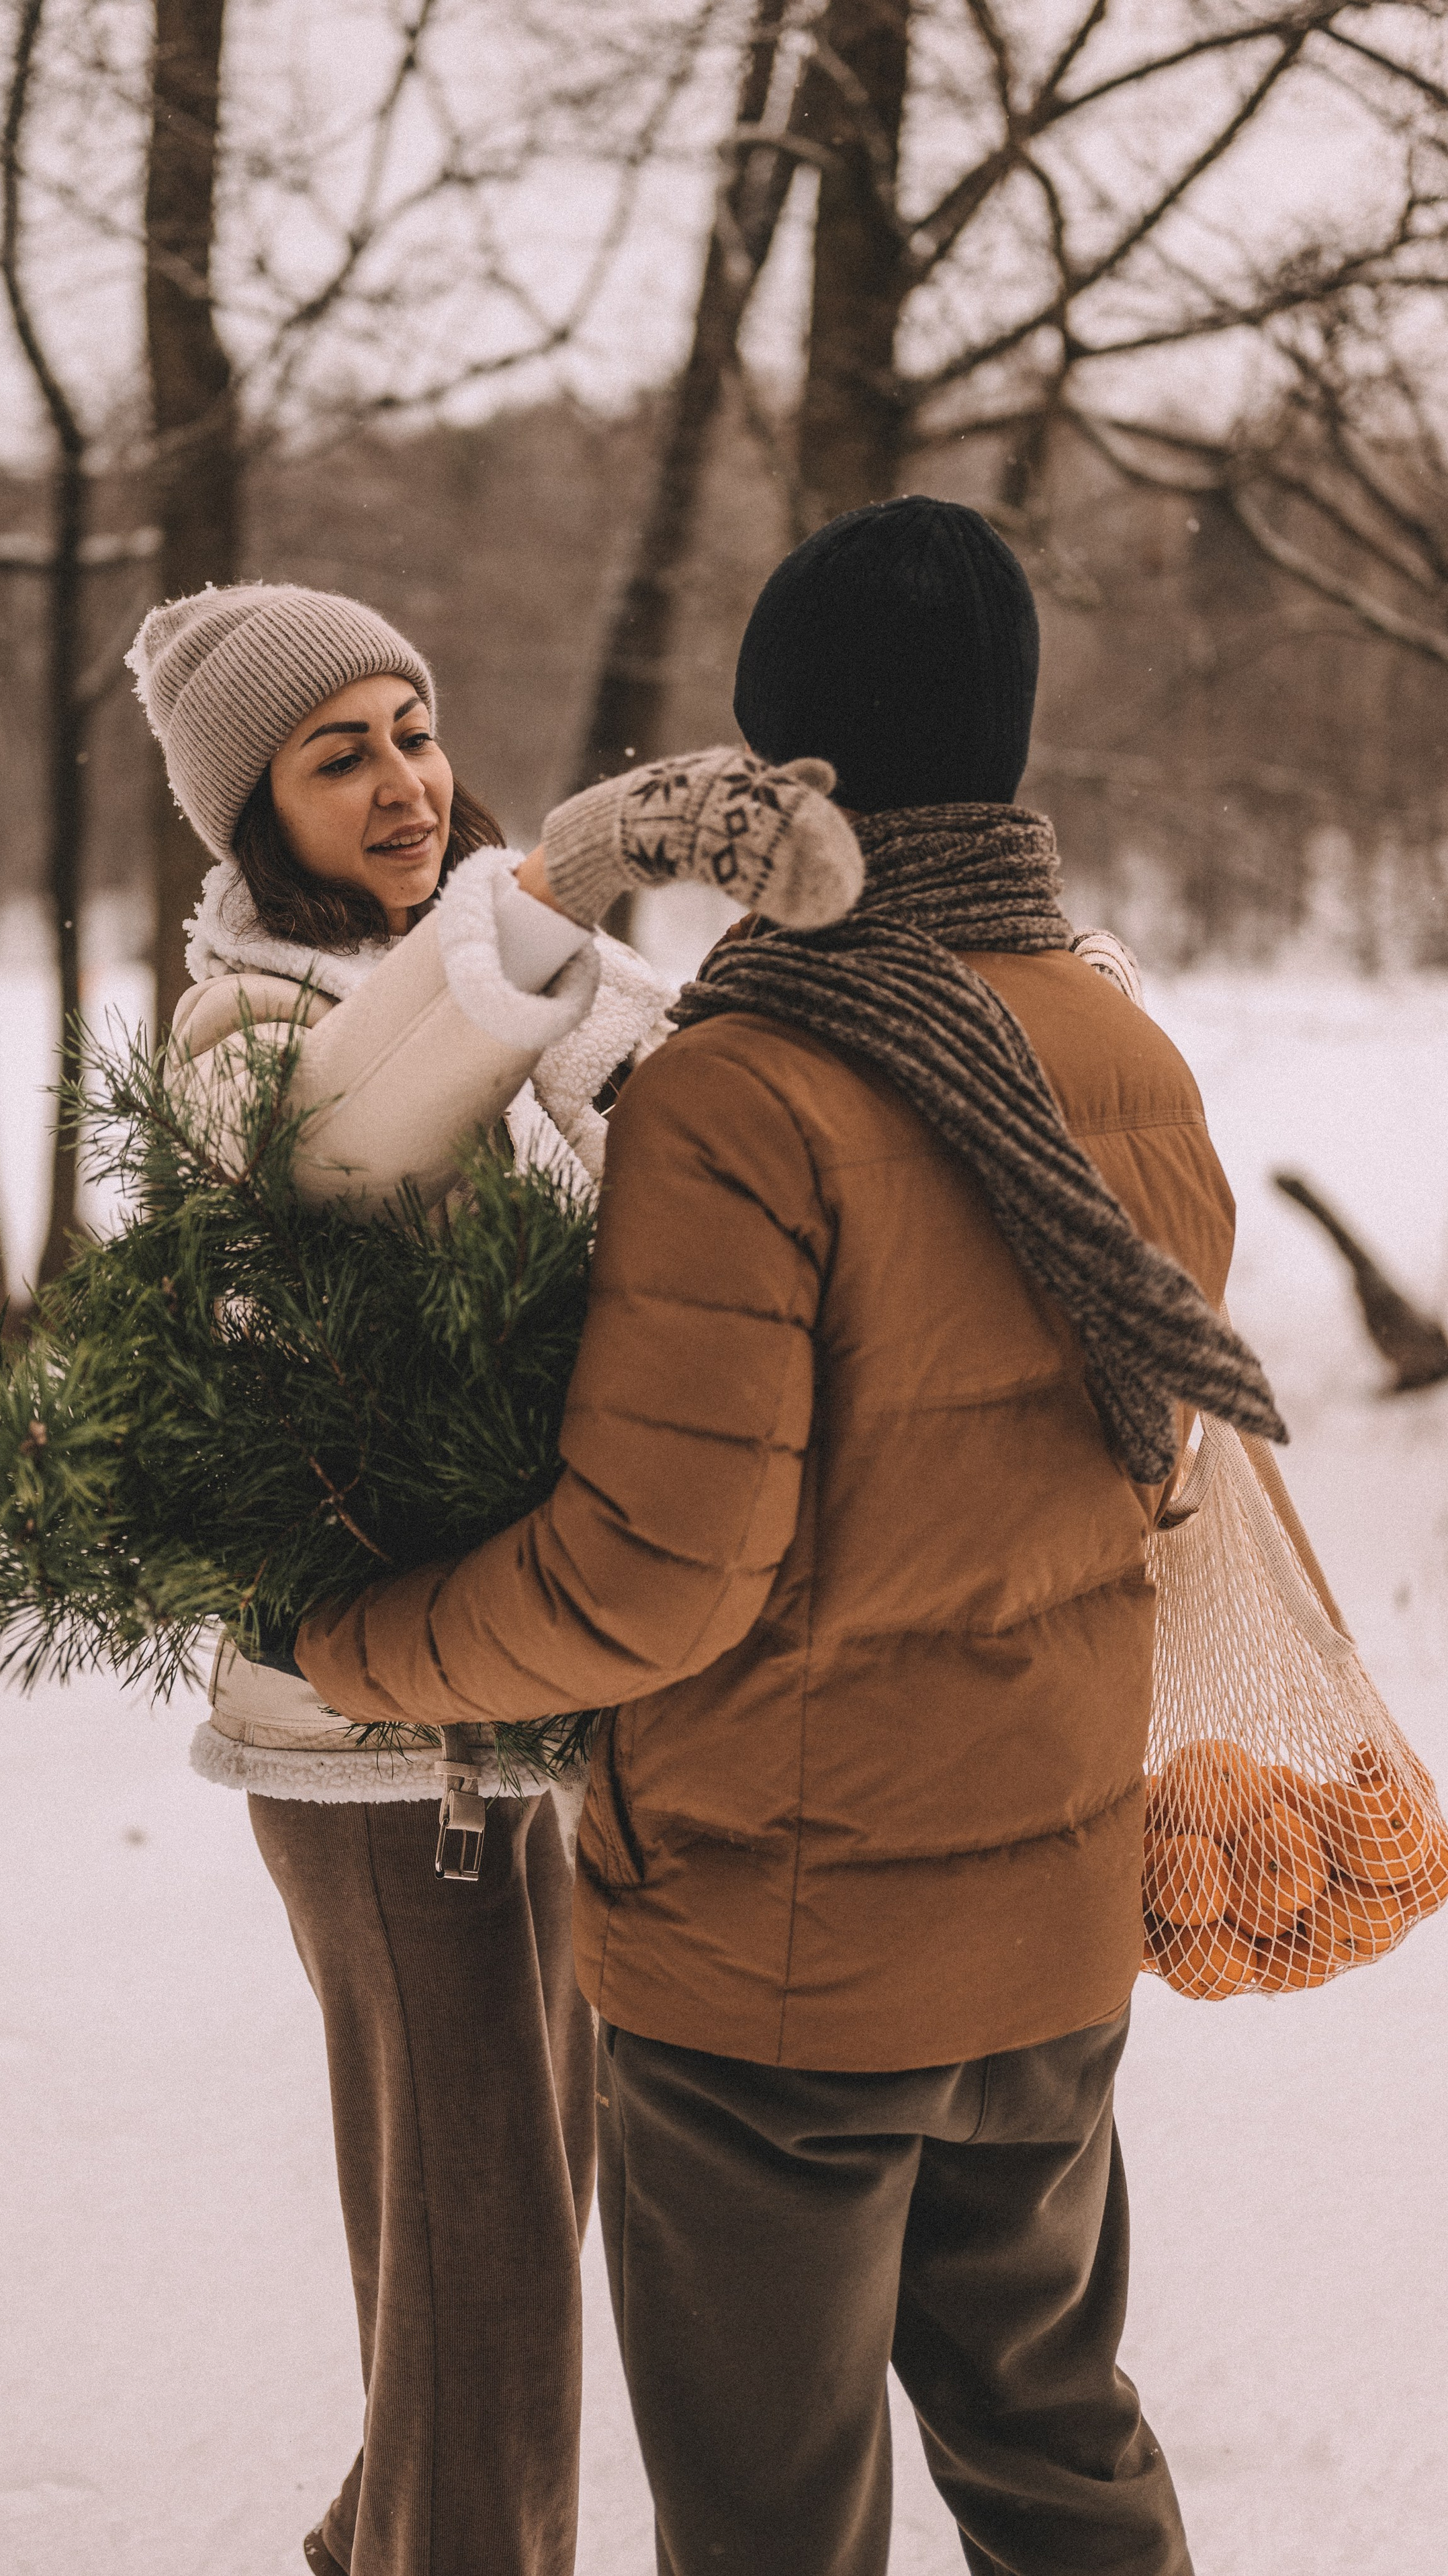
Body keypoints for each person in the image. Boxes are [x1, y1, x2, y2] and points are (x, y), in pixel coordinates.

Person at [291, 499, 1287, 2576]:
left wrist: (359, 1645)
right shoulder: (1129, 1055)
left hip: (778, 1983)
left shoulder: (751, 1085)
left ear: (775, 771)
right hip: (1041, 1946)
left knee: (769, 2521)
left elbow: (652, 1574)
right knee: (1053, 2445)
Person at [126, 582, 683, 2576]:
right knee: (495, 2283)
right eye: (337, 750)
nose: (402, 780)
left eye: (416, 726)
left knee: (518, 2212)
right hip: (376, 1749)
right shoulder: (238, 1037)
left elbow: (663, 1110)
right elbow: (350, 1145)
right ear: (253, 811)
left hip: (519, 1704)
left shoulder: (495, 974)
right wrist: (533, 921)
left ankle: (385, 2533)